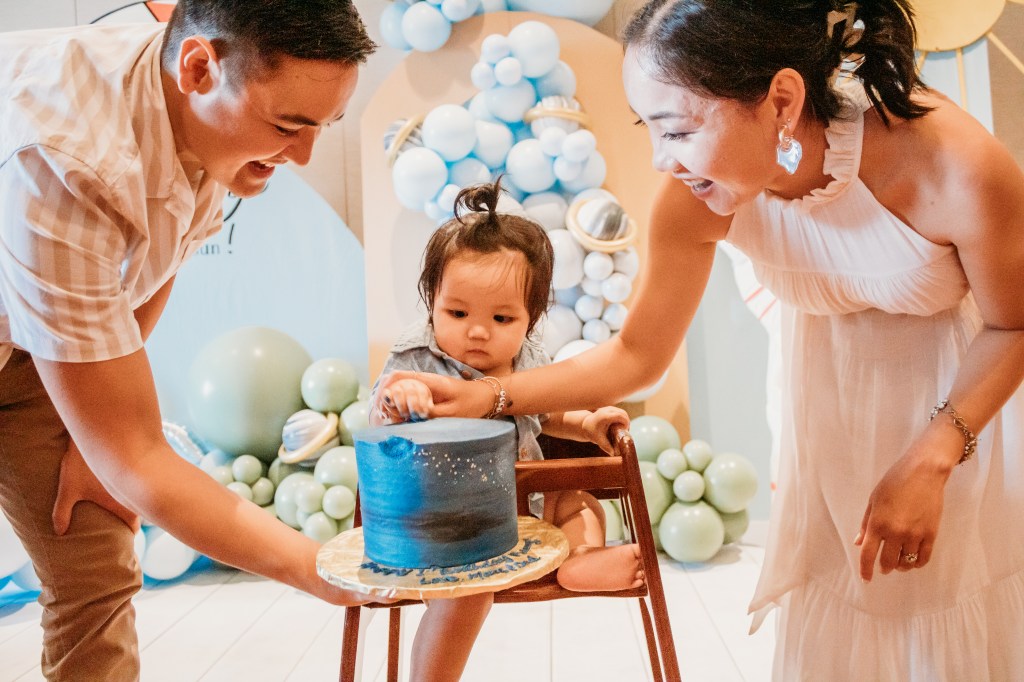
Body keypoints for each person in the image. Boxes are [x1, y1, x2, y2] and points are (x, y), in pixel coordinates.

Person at [380, 1, 1024, 679]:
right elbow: (637, 355)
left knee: (953, 616)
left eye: (679, 130)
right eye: (650, 129)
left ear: (781, 101)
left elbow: (1014, 323)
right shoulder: (694, 196)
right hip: (832, 409)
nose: (664, 160)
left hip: (966, 407)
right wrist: (488, 396)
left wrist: (932, 458)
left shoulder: (956, 163)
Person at [0, 2, 383, 680]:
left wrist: (96, 443)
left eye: (323, 126)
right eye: (288, 126)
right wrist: (321, 569)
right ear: (198, 69)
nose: (303, 155)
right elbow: (139, 458)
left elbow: (155, 259)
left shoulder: (205, 107)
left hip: (38, 340)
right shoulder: (67, 159)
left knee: (95, 563)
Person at [370, 181, 641, 681]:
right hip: (452, 527)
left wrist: (586, 424)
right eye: (457, 313)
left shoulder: (527, 358)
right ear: (431, 302)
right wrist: (399, 400)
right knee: (467, 598)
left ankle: (580, 559)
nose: (478, 331)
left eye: (502, 317)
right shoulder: (418, 359)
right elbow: (379, 422)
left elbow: (543, 413)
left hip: (525, 511)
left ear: (531, 320)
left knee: (580, 503)